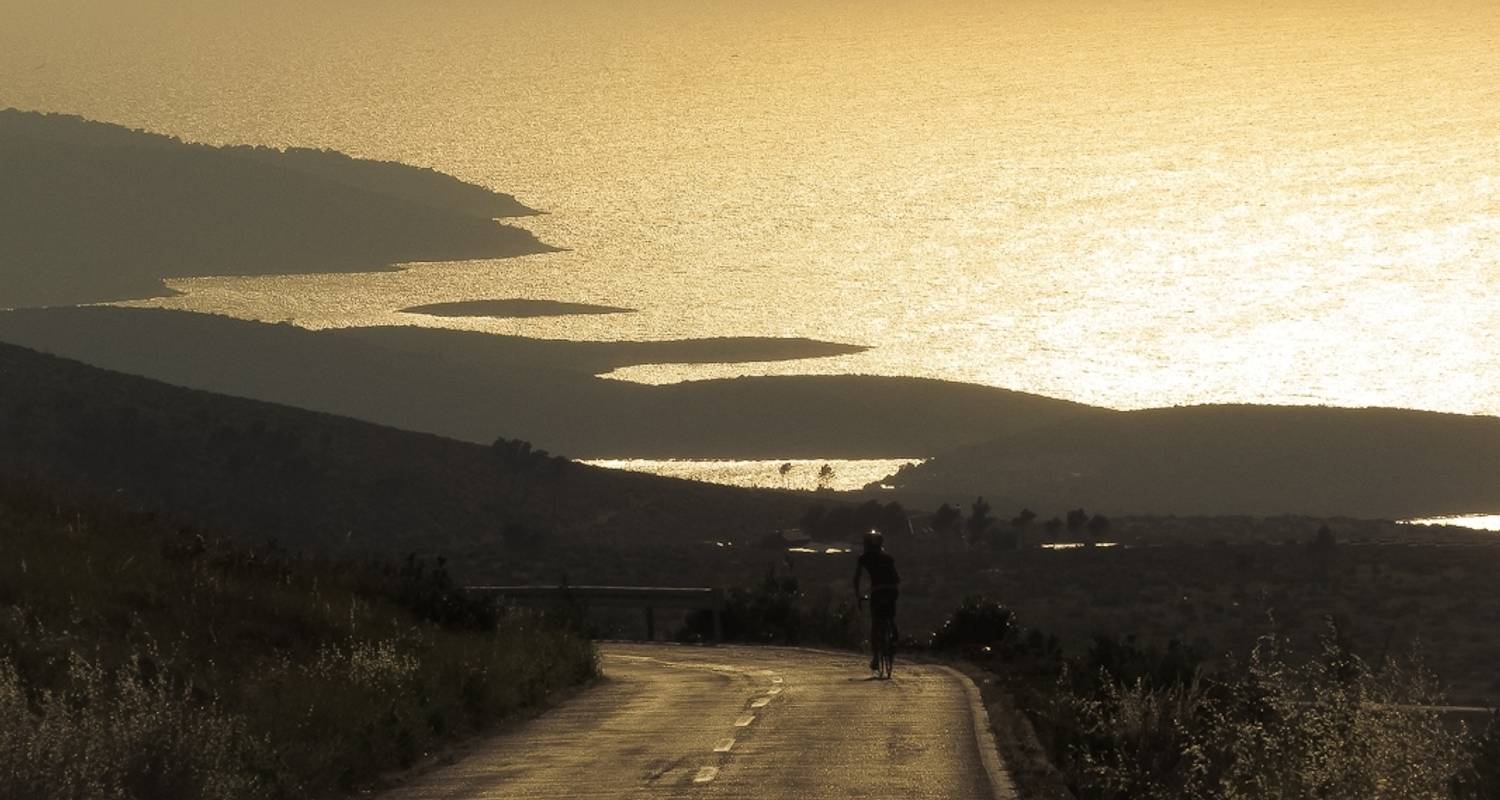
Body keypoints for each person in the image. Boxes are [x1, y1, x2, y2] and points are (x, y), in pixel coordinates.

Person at [853, 529, 900, 671]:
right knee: (890, 617)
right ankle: (894, 638)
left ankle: (875, 659)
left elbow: (856, 579)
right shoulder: (888, 557)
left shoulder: (864, 558)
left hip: (878, 591)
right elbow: (896, 577)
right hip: (892, 589)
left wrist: (858, 596)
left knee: (876, 623)